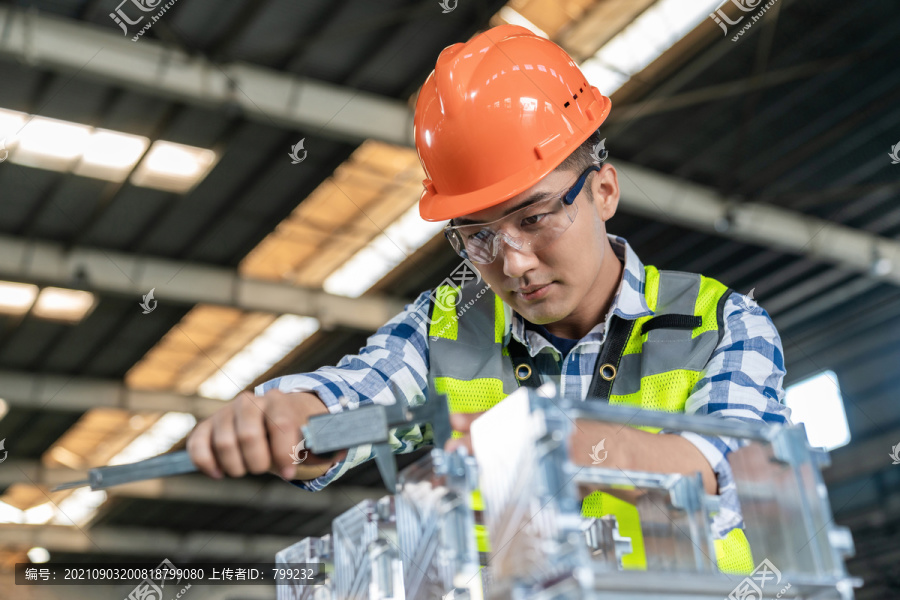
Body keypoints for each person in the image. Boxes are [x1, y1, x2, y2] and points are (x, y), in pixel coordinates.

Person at [187, 24, 790, 573]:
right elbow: (356, 399)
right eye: (477, 237)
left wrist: (537, 440)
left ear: (603, 190)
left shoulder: (723, 324)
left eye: (534, 217)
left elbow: (727, 474)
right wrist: (290, 420)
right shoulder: (443, 328)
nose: (513, 263)